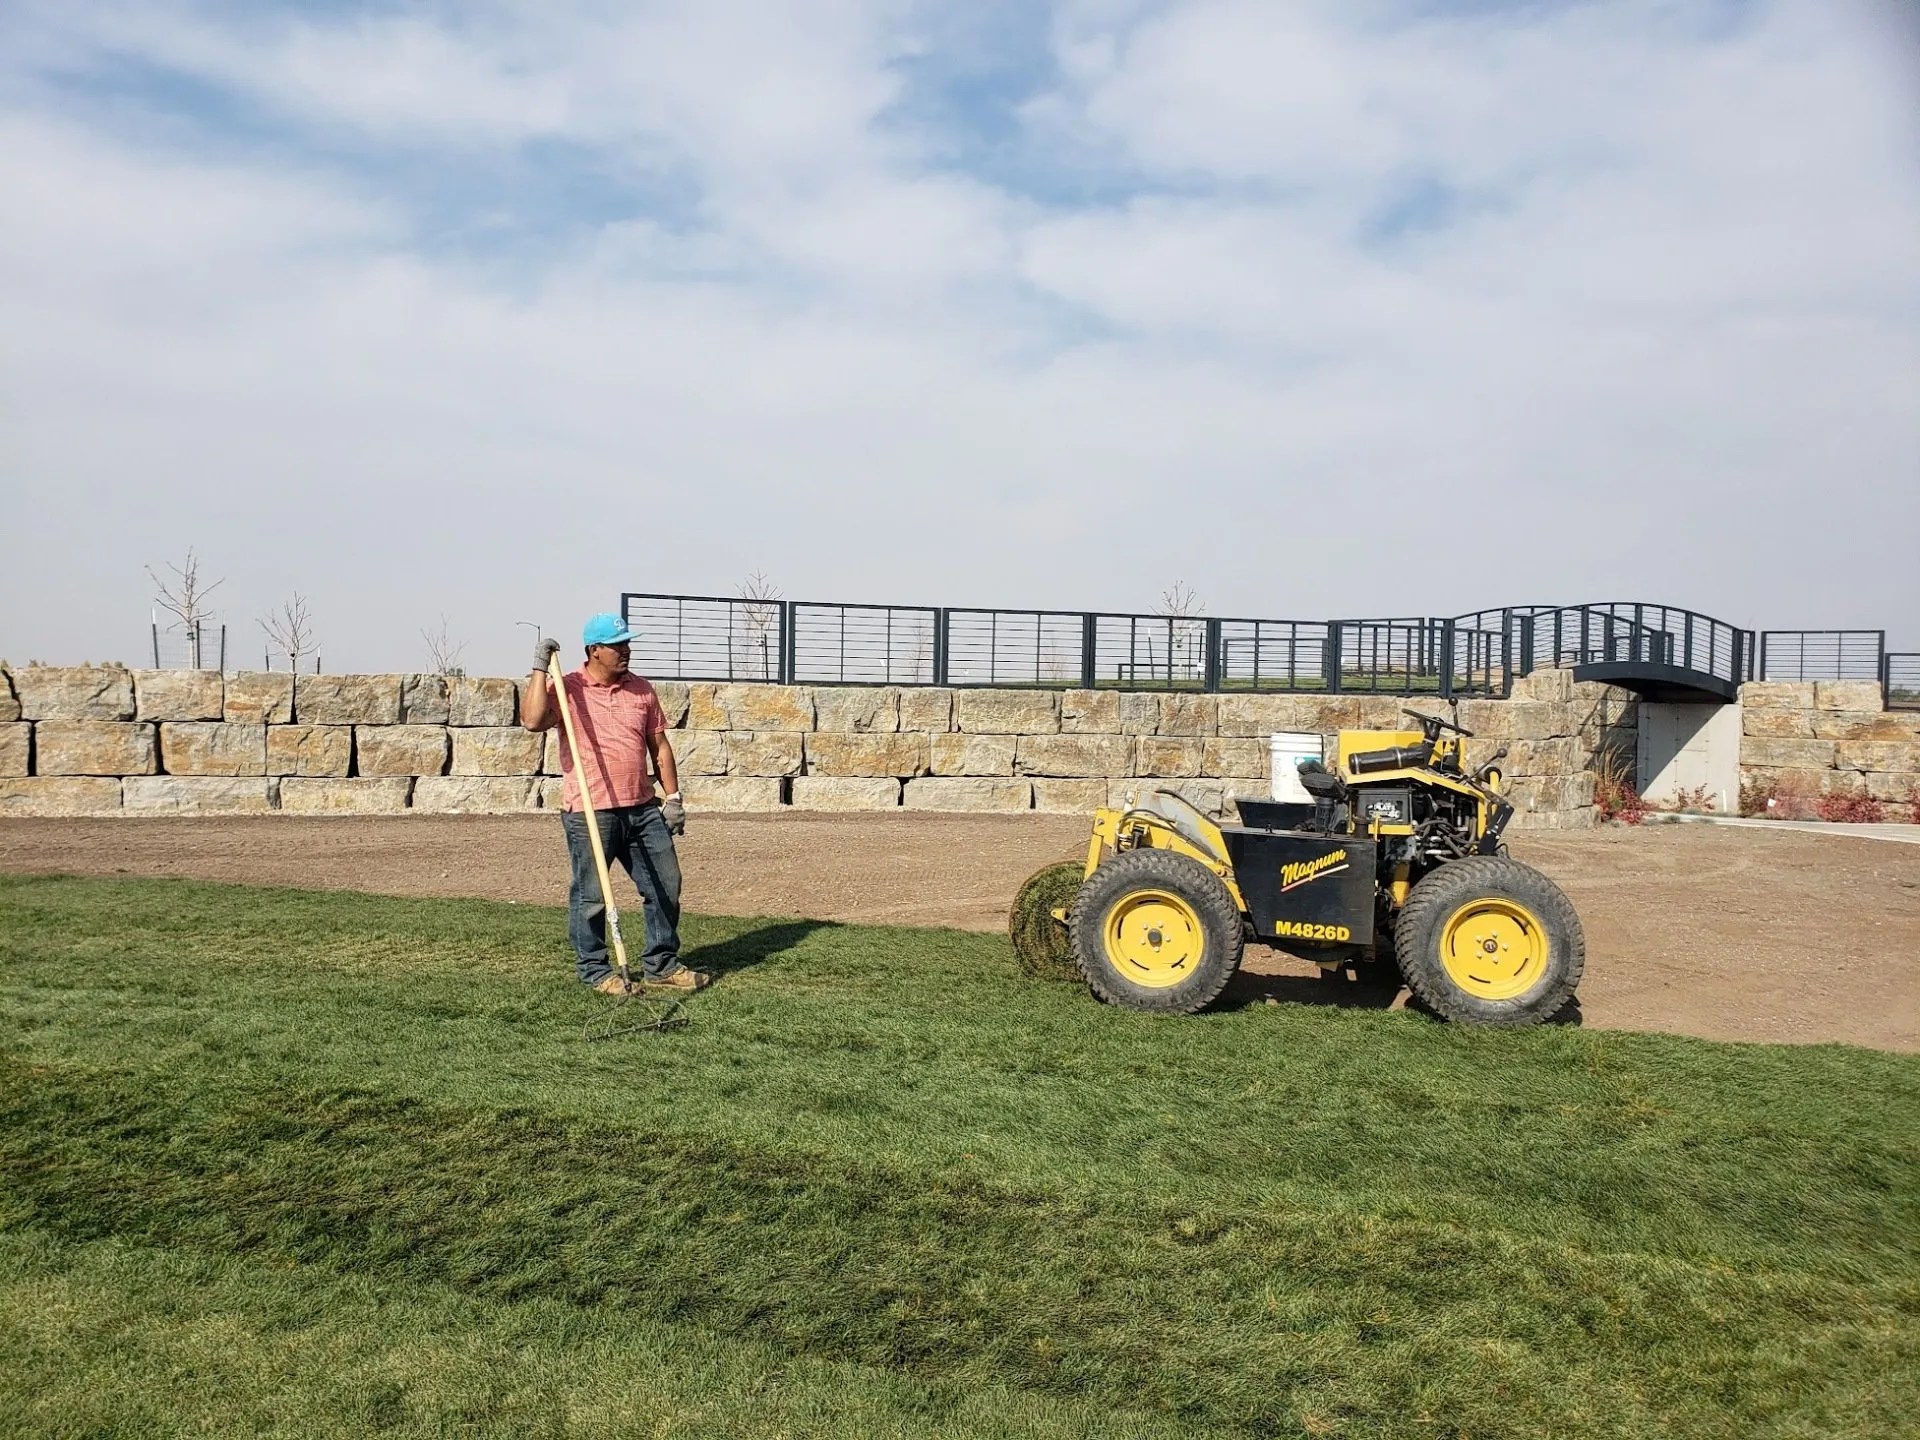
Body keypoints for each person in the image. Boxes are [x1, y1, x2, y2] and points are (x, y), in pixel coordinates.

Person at [521, 613, 710, 995]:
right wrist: (540, 668)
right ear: (594, 650)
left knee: (665, 885)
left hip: (642, 808)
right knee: (590, 896)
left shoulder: (641, 690)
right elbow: (532, 720)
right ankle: (595, 969)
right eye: (618, 644)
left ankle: (661, 965)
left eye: (627, 643)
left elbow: (659, 747)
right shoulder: (568, 687)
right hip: (590, 810)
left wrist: (673, 799)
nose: (627, 650)